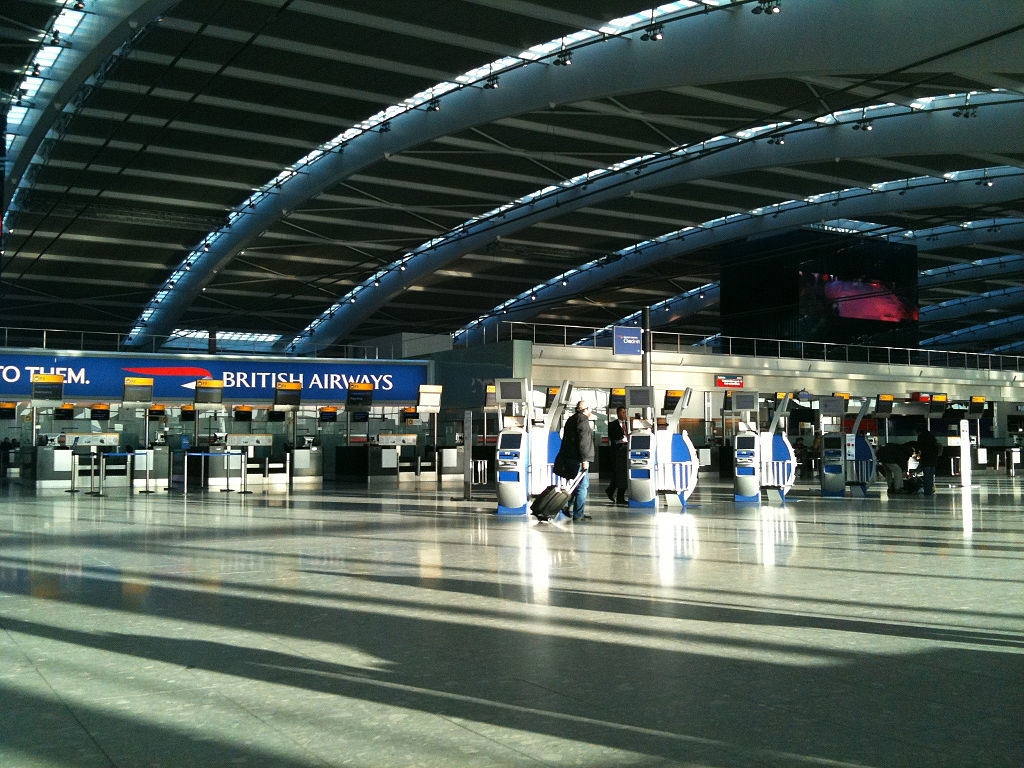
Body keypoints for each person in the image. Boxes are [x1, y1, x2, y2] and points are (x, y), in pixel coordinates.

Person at [553, 400, 595, 520]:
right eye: (590, 409)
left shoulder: (571, 419)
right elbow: (583, 441)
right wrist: (584, 459)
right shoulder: (583, 420)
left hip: (569, 458)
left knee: (574, 485)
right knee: (582, 486)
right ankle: (578, 514)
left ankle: (566, 506)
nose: (591, 411)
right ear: (585, 409)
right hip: (578, 459)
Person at [605, 406, 629, 504]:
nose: (624, 414)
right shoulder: (612, 424)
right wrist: (621, 438)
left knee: (619, 475)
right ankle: (618, 496)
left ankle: (611, 491)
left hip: (626, 451)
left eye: (625, 412)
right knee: (619, 474)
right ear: (618, 413)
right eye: (622, 412)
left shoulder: (628, 424)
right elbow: (612, 437)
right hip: (617, 452)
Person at [916, 429, 939, 496]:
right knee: (931, 476)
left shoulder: (921, 437)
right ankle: (930, 490)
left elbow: (918, 447)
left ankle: (927, 491)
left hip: (926, 459)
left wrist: (917, 453)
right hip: (933, 460)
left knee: (926, 476)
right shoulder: (932, 438)